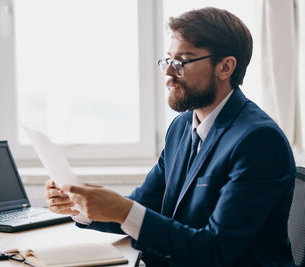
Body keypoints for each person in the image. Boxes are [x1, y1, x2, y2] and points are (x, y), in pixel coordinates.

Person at [45, 7, 296, 267]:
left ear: (225, 67)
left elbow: (215, 250)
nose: (168, 72)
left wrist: (122, 210)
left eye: (182, 61)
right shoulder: (181, 127)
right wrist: (82, 208)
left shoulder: (258, 141)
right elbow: (145, 206)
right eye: (168, 60)